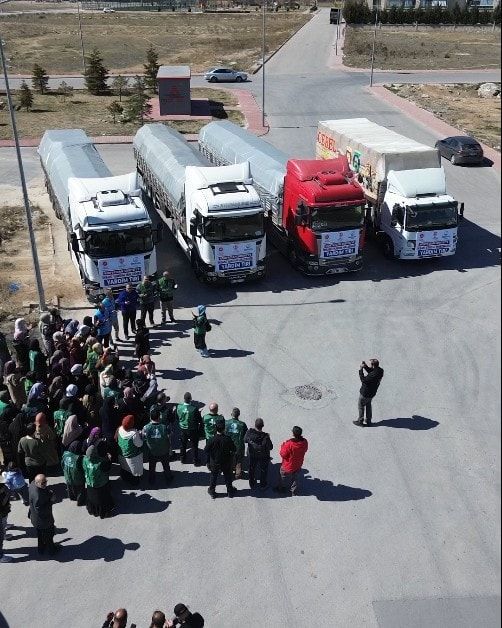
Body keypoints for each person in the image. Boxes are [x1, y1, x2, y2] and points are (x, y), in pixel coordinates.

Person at [204, 418, 236, 499]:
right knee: (227, 476)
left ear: (216, 429)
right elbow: (234, 449)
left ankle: (212, 491)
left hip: (214, 462)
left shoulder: (212, 439)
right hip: (225, 461)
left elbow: (206, 450)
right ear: (224, 429)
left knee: (213, 476)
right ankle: (230, 491)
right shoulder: (227, 439)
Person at [28, 474, 60, 556]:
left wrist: (48, 493)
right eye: (43, 483)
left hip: (35, 519)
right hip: (43, 521)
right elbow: (41, 511)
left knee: (40, 535)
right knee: (49, 536)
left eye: (45, 481)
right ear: (37, 483)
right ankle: (52, 551)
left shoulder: (32, 484)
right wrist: (51, 501)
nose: (45, 484)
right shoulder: (38, 496)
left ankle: (41, 549)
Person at [83, 442, 114, 519]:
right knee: (103, 499)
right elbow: (108, 468)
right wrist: (109, 458)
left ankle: (93, 510)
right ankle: (105, 511)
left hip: (90, 485)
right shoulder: (101, 463)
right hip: (101, 485)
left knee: (92, 499)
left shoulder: (85, 459)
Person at [274, 426, 308, 497]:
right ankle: (294, 491)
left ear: (293, 433)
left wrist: (283, 445)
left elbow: (283, 454)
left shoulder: (289, 444)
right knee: (295, 477)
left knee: (282, 476)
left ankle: (281, 488)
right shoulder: (304, 442)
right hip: (298, 464)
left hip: (288, 465)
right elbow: (305, 450)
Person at [143, 407, 173, 486]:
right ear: (159, 417)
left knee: (152, 466)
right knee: (166, 465)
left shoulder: (146, 428)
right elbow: (169, 438)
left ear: (150, 417)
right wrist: (170, 449)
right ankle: (168, 477)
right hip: (164, 450)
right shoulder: (165, 427)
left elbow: (143, 438)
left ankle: (151, 479)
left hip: (152, 451)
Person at [354, 358, 384, 427]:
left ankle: (360, 421)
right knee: (368, 405)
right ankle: (368, 421)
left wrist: (361, 369)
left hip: (365, 393)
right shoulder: (380, 371)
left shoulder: (372, 375)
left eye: (371, 364)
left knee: (361, 406)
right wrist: (366, 367)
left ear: (373, 366)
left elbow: (363, 380)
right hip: (372, 393)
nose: (370, 366)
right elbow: (372, 371)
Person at [244, 418, 273, 490]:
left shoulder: (249, 432)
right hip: (263, 456)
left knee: (251, 468)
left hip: (252, 454)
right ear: (262, 426)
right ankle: (263, 485)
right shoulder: (265, 436)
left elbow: (244, 440)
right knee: (263, 470)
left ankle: (252, 483)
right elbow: (271, 447)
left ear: (255, 425)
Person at [175, 392, 202, 466]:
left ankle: (182, 458)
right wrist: (199, 413)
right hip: (192, 429)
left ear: (184, 399)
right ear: (190, 399)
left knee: (183, 444)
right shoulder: (194, 408)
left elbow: (177, 417)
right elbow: (199, 420)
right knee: (194, 445)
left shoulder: (179, 407)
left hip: (183, 429)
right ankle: (195, 460)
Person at [116, 415, 143, 486]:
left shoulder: (120, 428)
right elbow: (139, 444)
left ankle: (125, 478)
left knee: (124, 468)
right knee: (133, 472)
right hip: (132, 457)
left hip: (121, 454)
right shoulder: (133, 433)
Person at [225, 408, 248, 480]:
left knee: (229, 459)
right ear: (239, 415)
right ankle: (238, 473)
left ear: (231, 414)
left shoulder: (226, 422)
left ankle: (230, 472)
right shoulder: (242, 424)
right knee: (239, 460)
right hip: (239, 445)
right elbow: (245, 435)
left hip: (228, 445)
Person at [61, 440, 86, 505]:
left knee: (70, 487)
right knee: (80, 490)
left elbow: (62, 464)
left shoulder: (65, 454)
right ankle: (80, 501)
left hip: (68, 476)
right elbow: (83, 469)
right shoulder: (80, 458)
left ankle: (72, 497)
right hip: (77, 478)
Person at [0, 479, 12, 563]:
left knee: (2, 528)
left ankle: (4, 535)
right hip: (1, 512)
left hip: (3, 512)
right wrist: (7, 494)